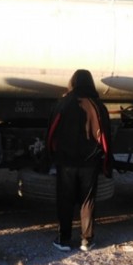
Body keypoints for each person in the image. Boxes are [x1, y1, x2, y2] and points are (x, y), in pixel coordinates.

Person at [46, 69, 113, 252]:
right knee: (87, 201)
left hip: (66, 162)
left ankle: (64, 239)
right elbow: (105, 138)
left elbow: (51, 133)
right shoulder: (98, 106)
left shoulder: (63, 103)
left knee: (65, 199)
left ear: (72, 82)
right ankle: (87, 240)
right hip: (90, 164)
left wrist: (52, 156)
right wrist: (106, 162)